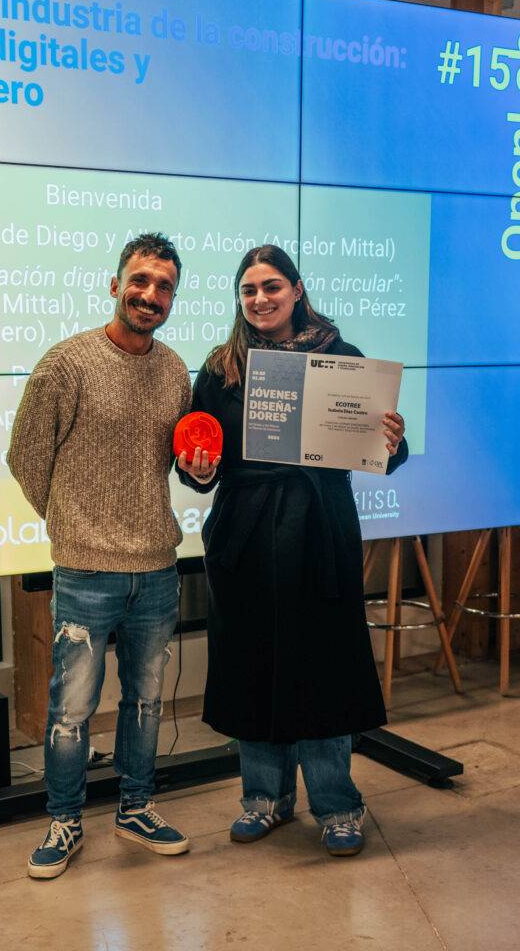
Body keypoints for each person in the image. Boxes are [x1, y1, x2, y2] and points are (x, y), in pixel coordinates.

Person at [177, 244, 407, 857]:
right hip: (244, 531)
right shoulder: (221, 368)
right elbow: (200, 466)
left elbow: (381, 455)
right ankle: (264, 797)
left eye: (272, 286)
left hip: (318, 526)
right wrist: (195, 469)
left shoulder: (343, 359)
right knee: (252, 660)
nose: (260, 299)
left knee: (322, 664)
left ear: (298, 289)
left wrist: (391, 440)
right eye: (249, 289)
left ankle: (336, 804)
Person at [8, 232, 193, 878]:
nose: (150, 295)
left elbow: (184, 464)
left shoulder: (174, 370)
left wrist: (201, 471)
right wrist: (74, 526)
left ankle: (136, 809)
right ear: (115, 285)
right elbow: (26, 457)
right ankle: (64, 822)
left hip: (156, 570)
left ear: (172, 297)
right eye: (139, 281)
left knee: (144, 703)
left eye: (163, 285)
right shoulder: (67, 363)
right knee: (71, 711)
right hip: (86, 571)